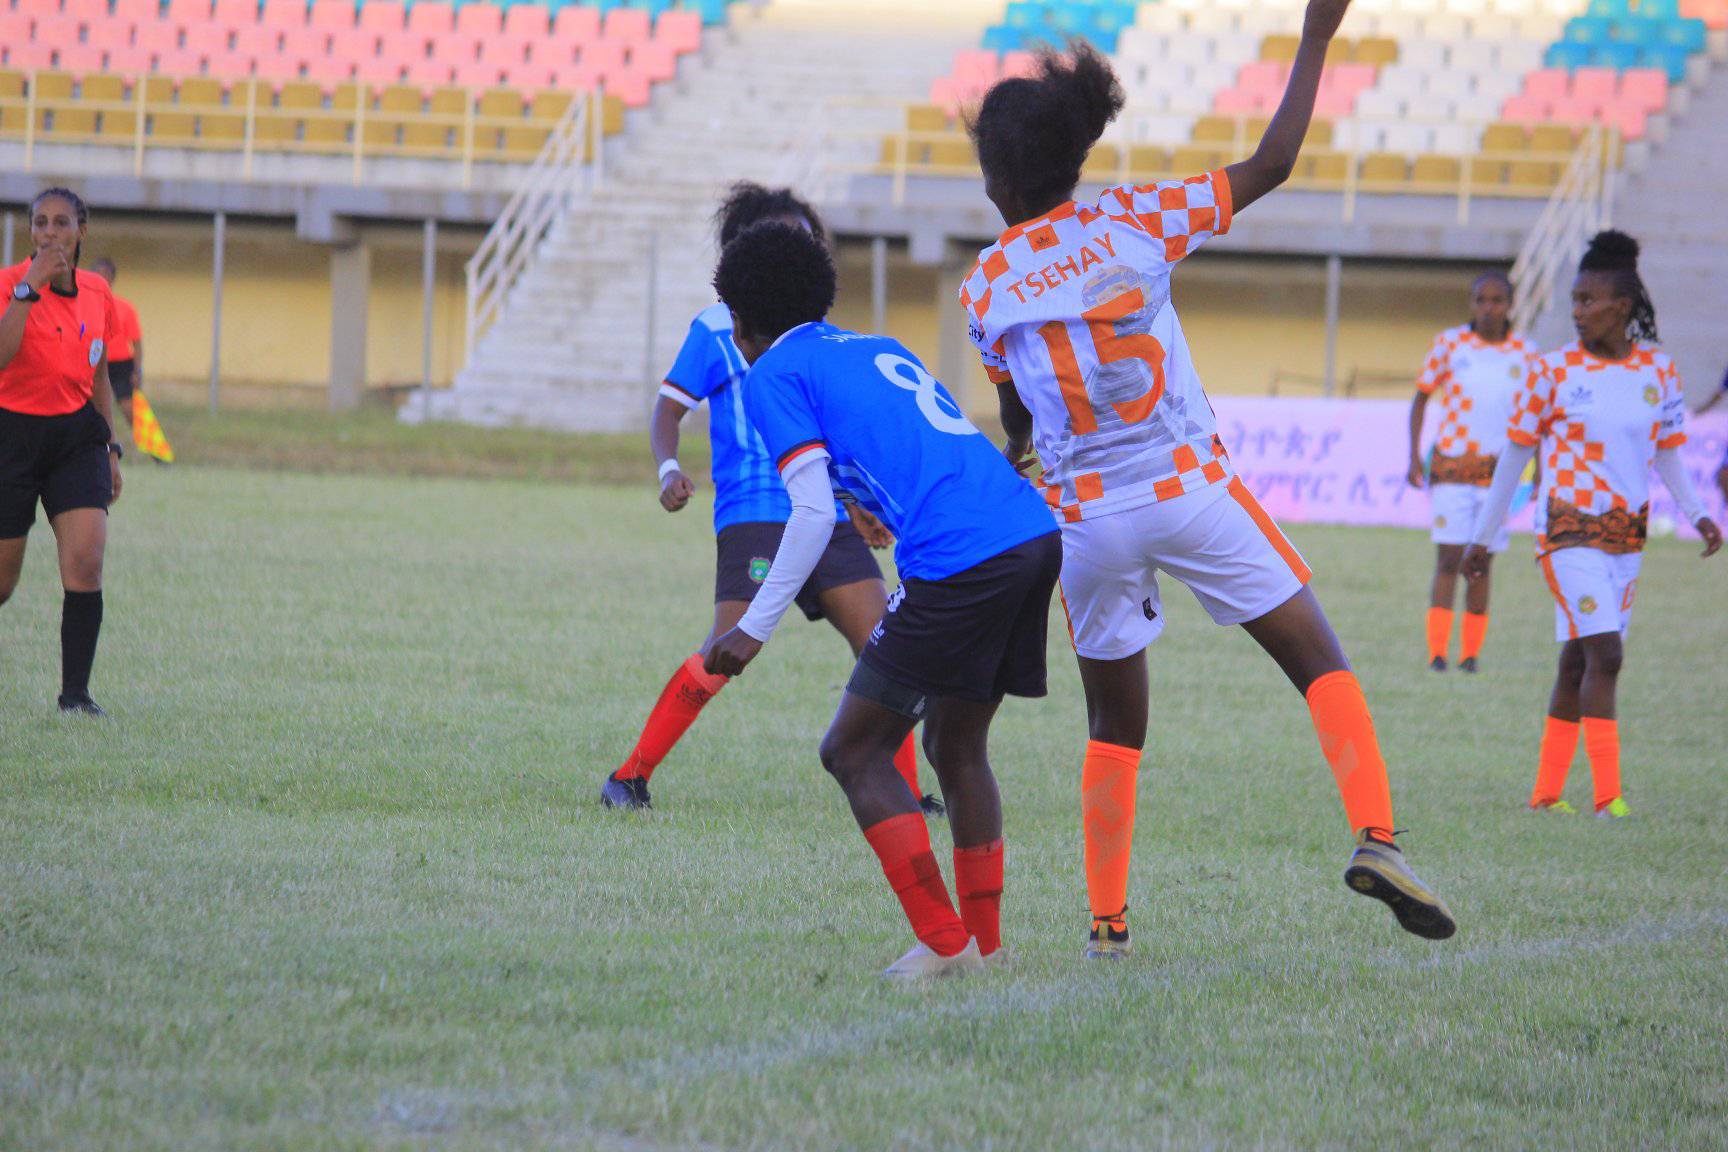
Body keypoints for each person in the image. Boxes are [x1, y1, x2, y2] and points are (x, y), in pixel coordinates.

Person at [959, 6, 1454, 961]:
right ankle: (1379, 840)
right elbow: (1271, 164)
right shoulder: (1135, 215)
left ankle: (1108, 924)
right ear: (1071, 159)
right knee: (1320, 663)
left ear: (996, 179)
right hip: (1190, 487)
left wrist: (1022, 454)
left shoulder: (986, 286)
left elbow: (1019, 408)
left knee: (1114, 723)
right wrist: (1315, 37)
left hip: (1088, 521)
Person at [703, 222, 1062, 978]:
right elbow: (901, 445)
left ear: (744, 320)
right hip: (1030, 533)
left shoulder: (770, 373)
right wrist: (865, 500)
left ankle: (945, 943)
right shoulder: (877, 347)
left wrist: (753, 629)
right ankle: (984, 948)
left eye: (732, 318)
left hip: (961, 558)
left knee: (854, 749)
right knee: (954, 745)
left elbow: (802, 512)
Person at [600, 184, 932, 814]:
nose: (800, 243)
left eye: (808, 236)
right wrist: (669, 466)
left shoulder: (818, 334)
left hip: (828, 515)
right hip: (756, 511)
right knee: (727, 648)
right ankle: (630, 775)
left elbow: (831, 436)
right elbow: (668, 408)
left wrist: (858, 504)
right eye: (786, 233)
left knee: (888, 644)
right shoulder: (717, 326)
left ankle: (911, 794)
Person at [1464, 230, 1721, 817]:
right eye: (1574, 300)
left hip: (1626, 540)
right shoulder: (1550, 372)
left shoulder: (1659, 371)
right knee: (1607, 655)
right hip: (1566, 535)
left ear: (1622, 308)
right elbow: (1514, 457)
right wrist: (1483, 537)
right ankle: (1610, 799)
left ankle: (1546, 795)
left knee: (1578, 661)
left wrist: (1699, 513)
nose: (1576, 312)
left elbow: (1668, 452)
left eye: (1587, 301)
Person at [0, 187, 124, 715]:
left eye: (61, 223)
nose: (50, 232)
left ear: (81, 231)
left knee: (86, 560)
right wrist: (28, 291)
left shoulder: (99, 293)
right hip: (12, 436)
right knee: (3, 583)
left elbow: (99, 375)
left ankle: (75, 696)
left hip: (76, 437)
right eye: (41, 222)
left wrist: (111, 446)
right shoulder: (9, 283)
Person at [1406, 272, 1534, 672]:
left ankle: (1471, 654)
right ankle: (1438, 652)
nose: (1488, 307)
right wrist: (1413, 454)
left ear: (1510, 304)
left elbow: (1536, 419)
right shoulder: (1450, 344)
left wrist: (1542, 469)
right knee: (1448, 557)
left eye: (1497, 300)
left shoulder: (1526, 354)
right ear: (1471, 303)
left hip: (1498, 476)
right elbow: (1421, 399)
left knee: (1482, 561)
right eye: (1481, 299)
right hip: (1451, 468)